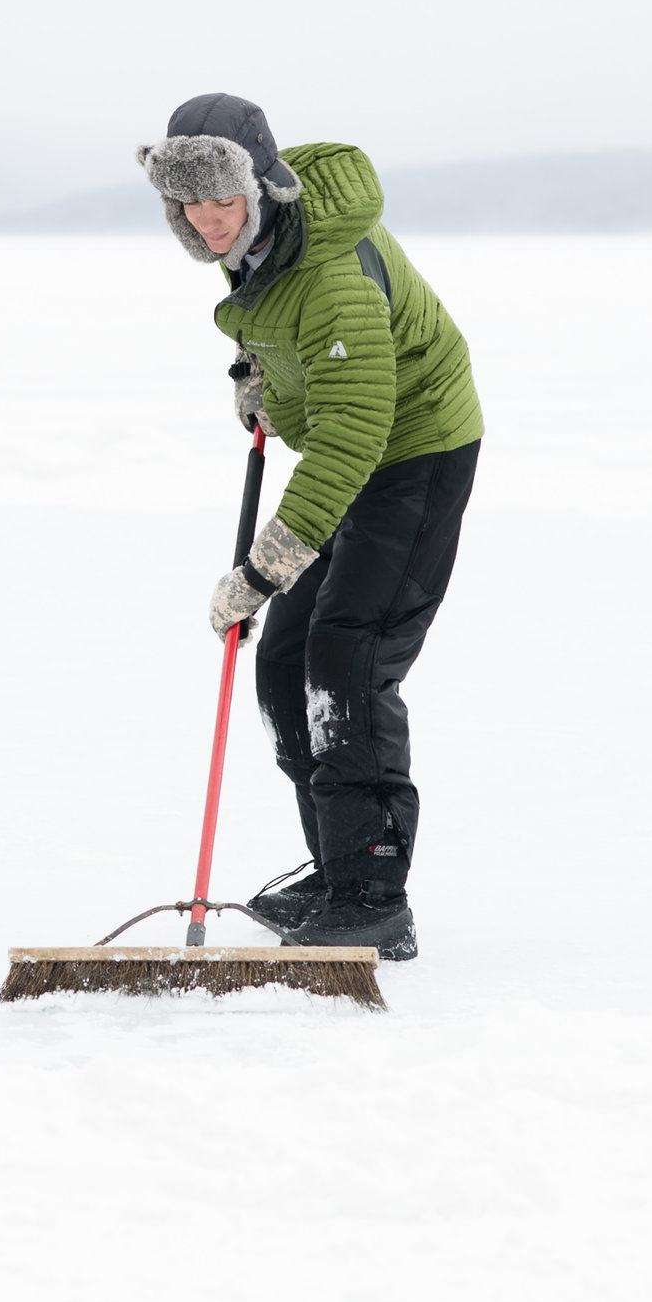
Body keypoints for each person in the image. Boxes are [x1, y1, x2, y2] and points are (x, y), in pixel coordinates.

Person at [138, 93, 484, 961]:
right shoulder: (257, 244)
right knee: (287, 660)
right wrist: (264, 378)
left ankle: (372, 892)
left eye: (223, 200)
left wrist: (263, 568)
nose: (210, 222)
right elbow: (292, 342)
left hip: (417, 447)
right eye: (190, 205)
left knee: (349, 655)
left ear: (264, 184)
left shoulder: (328, 271)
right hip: (353, 447)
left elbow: (359, 428)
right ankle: (335, 869)